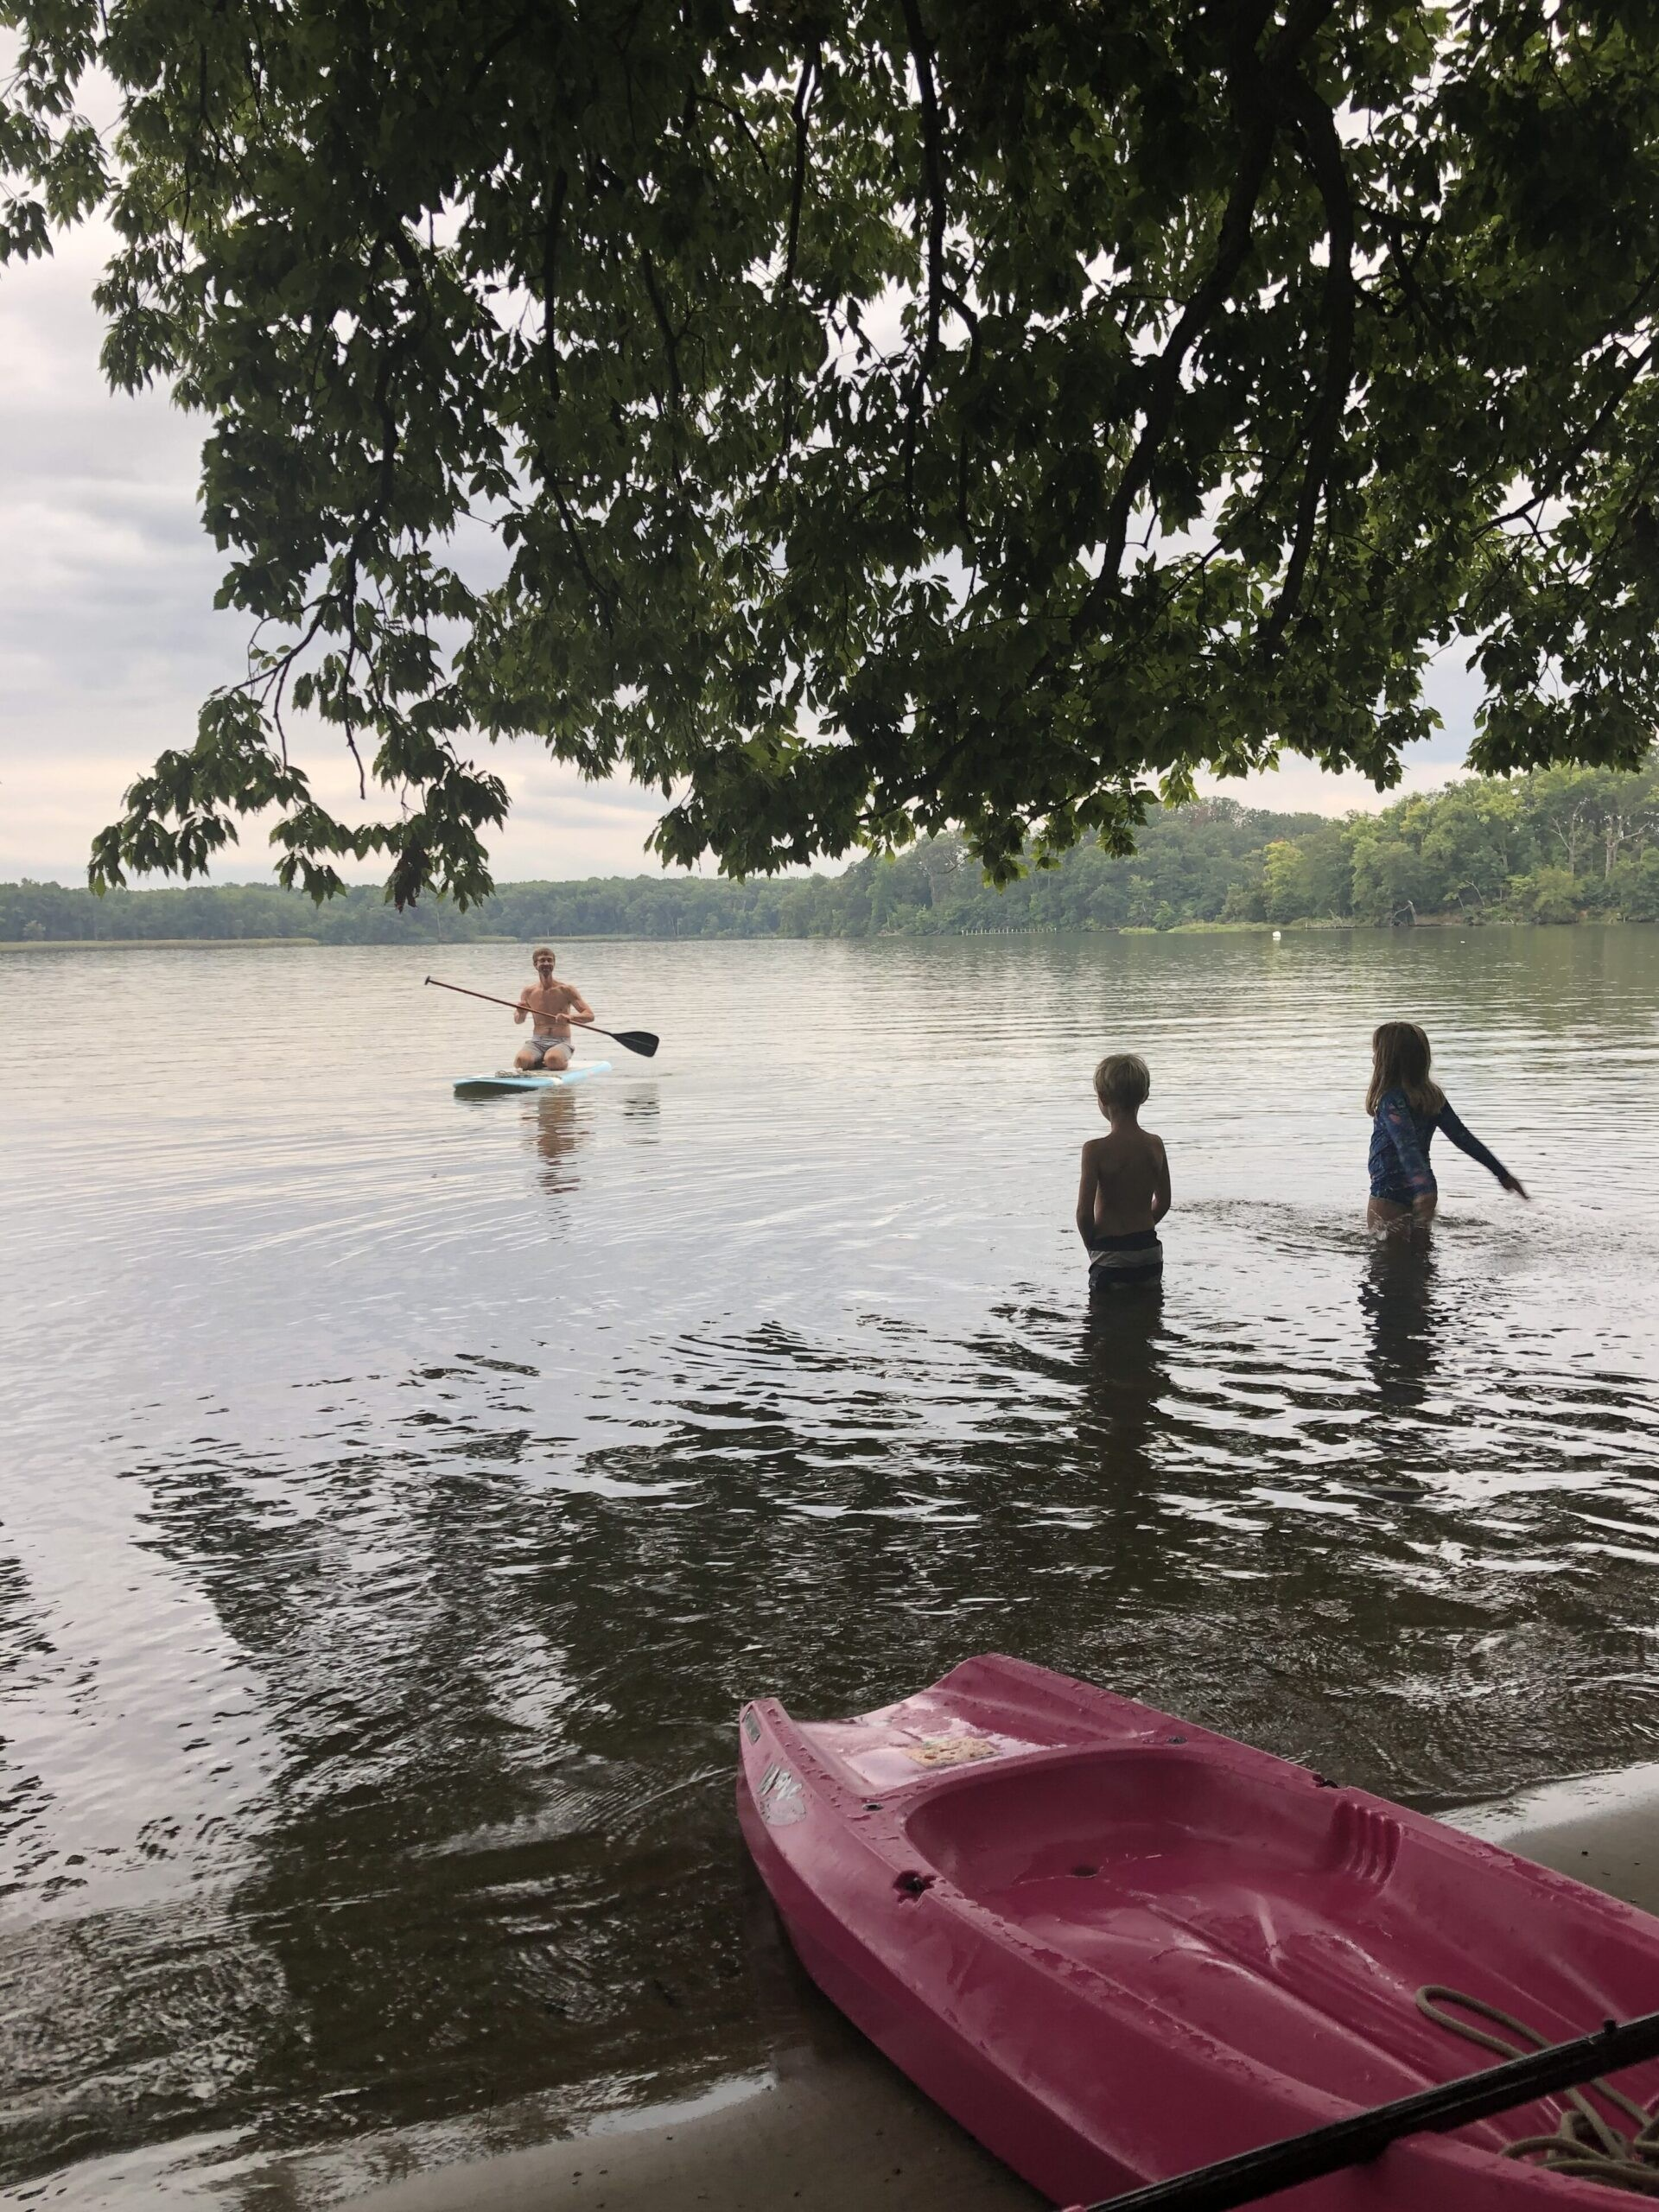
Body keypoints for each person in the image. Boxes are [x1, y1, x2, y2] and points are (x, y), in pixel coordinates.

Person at [1367, 1020, 1528, 1232]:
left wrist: (1423, 1189)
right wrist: (1502, 1174)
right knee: (1421, 1260)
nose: (1373, 1058)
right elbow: (1463, 1138)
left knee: (1382, 1261)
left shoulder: (1391, 1101)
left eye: (1376, 1052)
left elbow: (1405, 1145)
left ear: (1386, 1061)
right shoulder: (1431, 1097)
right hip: (1424, 1190)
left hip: (1389, 1191)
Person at [1076, 1053, 1171, 1291]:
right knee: (1149, 1315)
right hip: (1148, 1249)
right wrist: (1144, 1226)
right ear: (1145, 1096)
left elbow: (1084, 1213)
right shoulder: (1155, 1144)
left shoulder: (1094, 1150)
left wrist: (1093, 1245)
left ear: (1102, 1098)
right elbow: (1164, 1201)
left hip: (1110, 1251)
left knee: (1102, 1321)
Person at [513, 946, 594, 1072]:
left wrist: (570, 1017)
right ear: (536, 964)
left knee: (553, 1060)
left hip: (561, 1041)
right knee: (520, 1062)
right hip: (537, 1042)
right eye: (542, 960)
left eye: (550, 960)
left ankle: (554, 1060)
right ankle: (539, 1060)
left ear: (554, 964)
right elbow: (518, 1020)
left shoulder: (566, 990)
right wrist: (521, 1013)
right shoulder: (528, 992)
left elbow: (589, 1015)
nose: (546, 963)